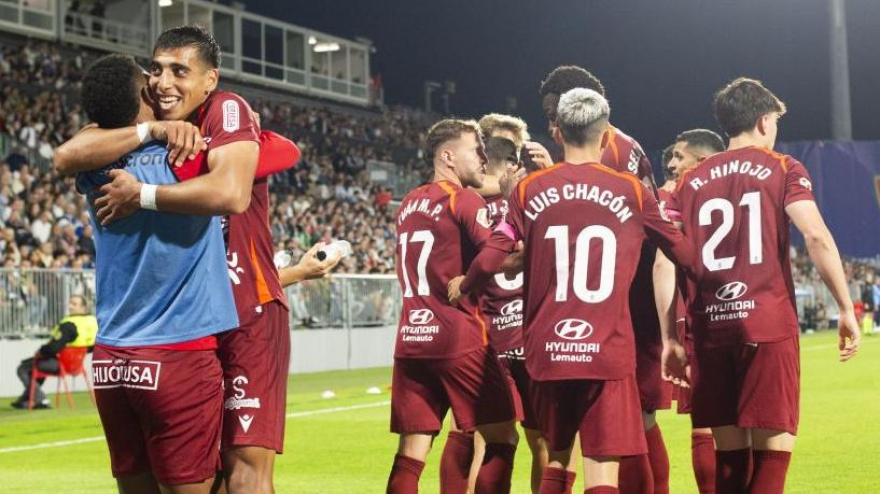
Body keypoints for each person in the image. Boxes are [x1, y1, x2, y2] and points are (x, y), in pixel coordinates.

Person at [54, 27, 298, 493]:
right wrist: (159, 135)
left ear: (210, 80)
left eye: (178, 71)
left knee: (237, 472)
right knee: (221, 476)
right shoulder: (161, 145)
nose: (163, 83)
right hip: (184, 342)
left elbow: (65, 156)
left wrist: (144, 186)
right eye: (155, 72)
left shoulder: (220, 114)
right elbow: (279, 155)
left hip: (222, 319)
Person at [451, 88, 694, 494]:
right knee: (602, 469)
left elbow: (494, 253)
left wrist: (465, 284)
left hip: (548, 350)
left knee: (558, 460)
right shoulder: (632, 191)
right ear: (605, 136)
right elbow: (682, 252)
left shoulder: (528, 190)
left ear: (559, 133)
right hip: (607, 349)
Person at [666, 77, 860, 494]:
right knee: (773, 456)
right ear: (764, 120)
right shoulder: (783, 167)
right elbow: (815, 236)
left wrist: (670, 334)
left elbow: (667, 259)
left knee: (729, 462)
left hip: (711, 328)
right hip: (766, 324)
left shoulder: (689, 182)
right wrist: (846, 307)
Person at [539, 65, 669, 494]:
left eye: (554, 115)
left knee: (616, 425)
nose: (551, 126)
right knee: (632, 420)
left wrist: (544, 180)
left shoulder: (606, 152)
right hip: (623, 297)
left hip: (621, 303)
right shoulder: (623, 144)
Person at [387, 119, 519, 494]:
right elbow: (498, 258)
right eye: (475, 150)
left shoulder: (409, 203)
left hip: (412, 338)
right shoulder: (463, 198)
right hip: (458, 338)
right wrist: (527, 243)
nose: (483, 158)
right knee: (502, 437)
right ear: (447, 156)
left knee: (411, 455)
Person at [655, 129, 725, 494]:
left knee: (708, 421)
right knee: (736, 425)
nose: (670, 164)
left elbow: (663, 263)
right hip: (736, 313)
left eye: (678, 157)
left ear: (701, 161)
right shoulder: (739, 191)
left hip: (695, 315)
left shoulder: (673, 198)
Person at [11, 294, 97, 409]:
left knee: (23, 368)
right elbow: (92, 346)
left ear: (83, 307)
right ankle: (25, 400)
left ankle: (41, 399)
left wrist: (41, 352)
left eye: (74, 304)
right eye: (70, 303)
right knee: (37, 366)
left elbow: (53, 348)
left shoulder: (69, 324)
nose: (70, 306)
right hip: (77, 364)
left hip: (61, 364)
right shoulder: (92, 321)